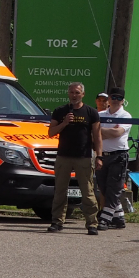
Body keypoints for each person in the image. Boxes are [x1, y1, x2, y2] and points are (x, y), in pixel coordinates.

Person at [47, 82, 102, 235]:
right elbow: (51, 132)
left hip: (83, 157)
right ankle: (57, 221)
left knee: (88, 191)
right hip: (63, 156)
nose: (74, 95)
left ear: (83, 94)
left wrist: (99, 156)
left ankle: (92, 223)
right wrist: (64, 123)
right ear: (68, 94)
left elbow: (97, 137)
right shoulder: (60, 111)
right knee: (60, 191)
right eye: (71, 92)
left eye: (77, 92)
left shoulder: (91, 112)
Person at [96, 87, 132, 230]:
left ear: (123, 101)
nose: (116, 100)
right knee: (103, 187)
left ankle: (105, 218)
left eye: (119, 98)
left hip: (119, 155)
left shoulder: (126, 116)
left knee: (114, 188)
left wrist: (99, 130)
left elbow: (117, 133)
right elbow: (93, 133)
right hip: (102, 155)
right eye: (113, 97)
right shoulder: (100, 114)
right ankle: (119, 217)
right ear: (109, 99)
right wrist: (104, 132)